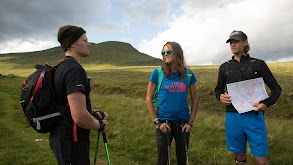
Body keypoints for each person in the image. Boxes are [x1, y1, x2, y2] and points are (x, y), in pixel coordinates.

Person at [215, 30, 282, 165]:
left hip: (254, 115)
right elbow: (218, 89)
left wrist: (266, 103)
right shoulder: (224, 67)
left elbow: (276, 88)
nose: (232, 44)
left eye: (236, 41)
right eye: (230, 42)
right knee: (239, 155)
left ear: (245, 43)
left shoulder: (258, 64)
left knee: (261, 159)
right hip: (233, 116)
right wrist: (220, 96)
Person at [49, 25, 109, 165]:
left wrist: (91, 111)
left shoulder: (60, 67)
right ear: (72, 44)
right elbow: (79, 117)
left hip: (60, 137)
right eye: (85, 40)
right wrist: (99, 125)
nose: (89, 44)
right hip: (73, 141)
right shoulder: (75, 70)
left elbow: (65, 103)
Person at [146, 41, 198, 165]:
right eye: (163, 52)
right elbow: (148, 99)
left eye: (168, 52)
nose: (165, 55)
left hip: (183, 125)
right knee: (163, 160)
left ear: (177, 53)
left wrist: (190, 123)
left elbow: (195, 99)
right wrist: (157, 122)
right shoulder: (157, 73)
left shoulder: (188, 74)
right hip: (164, 125)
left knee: (182, 160)